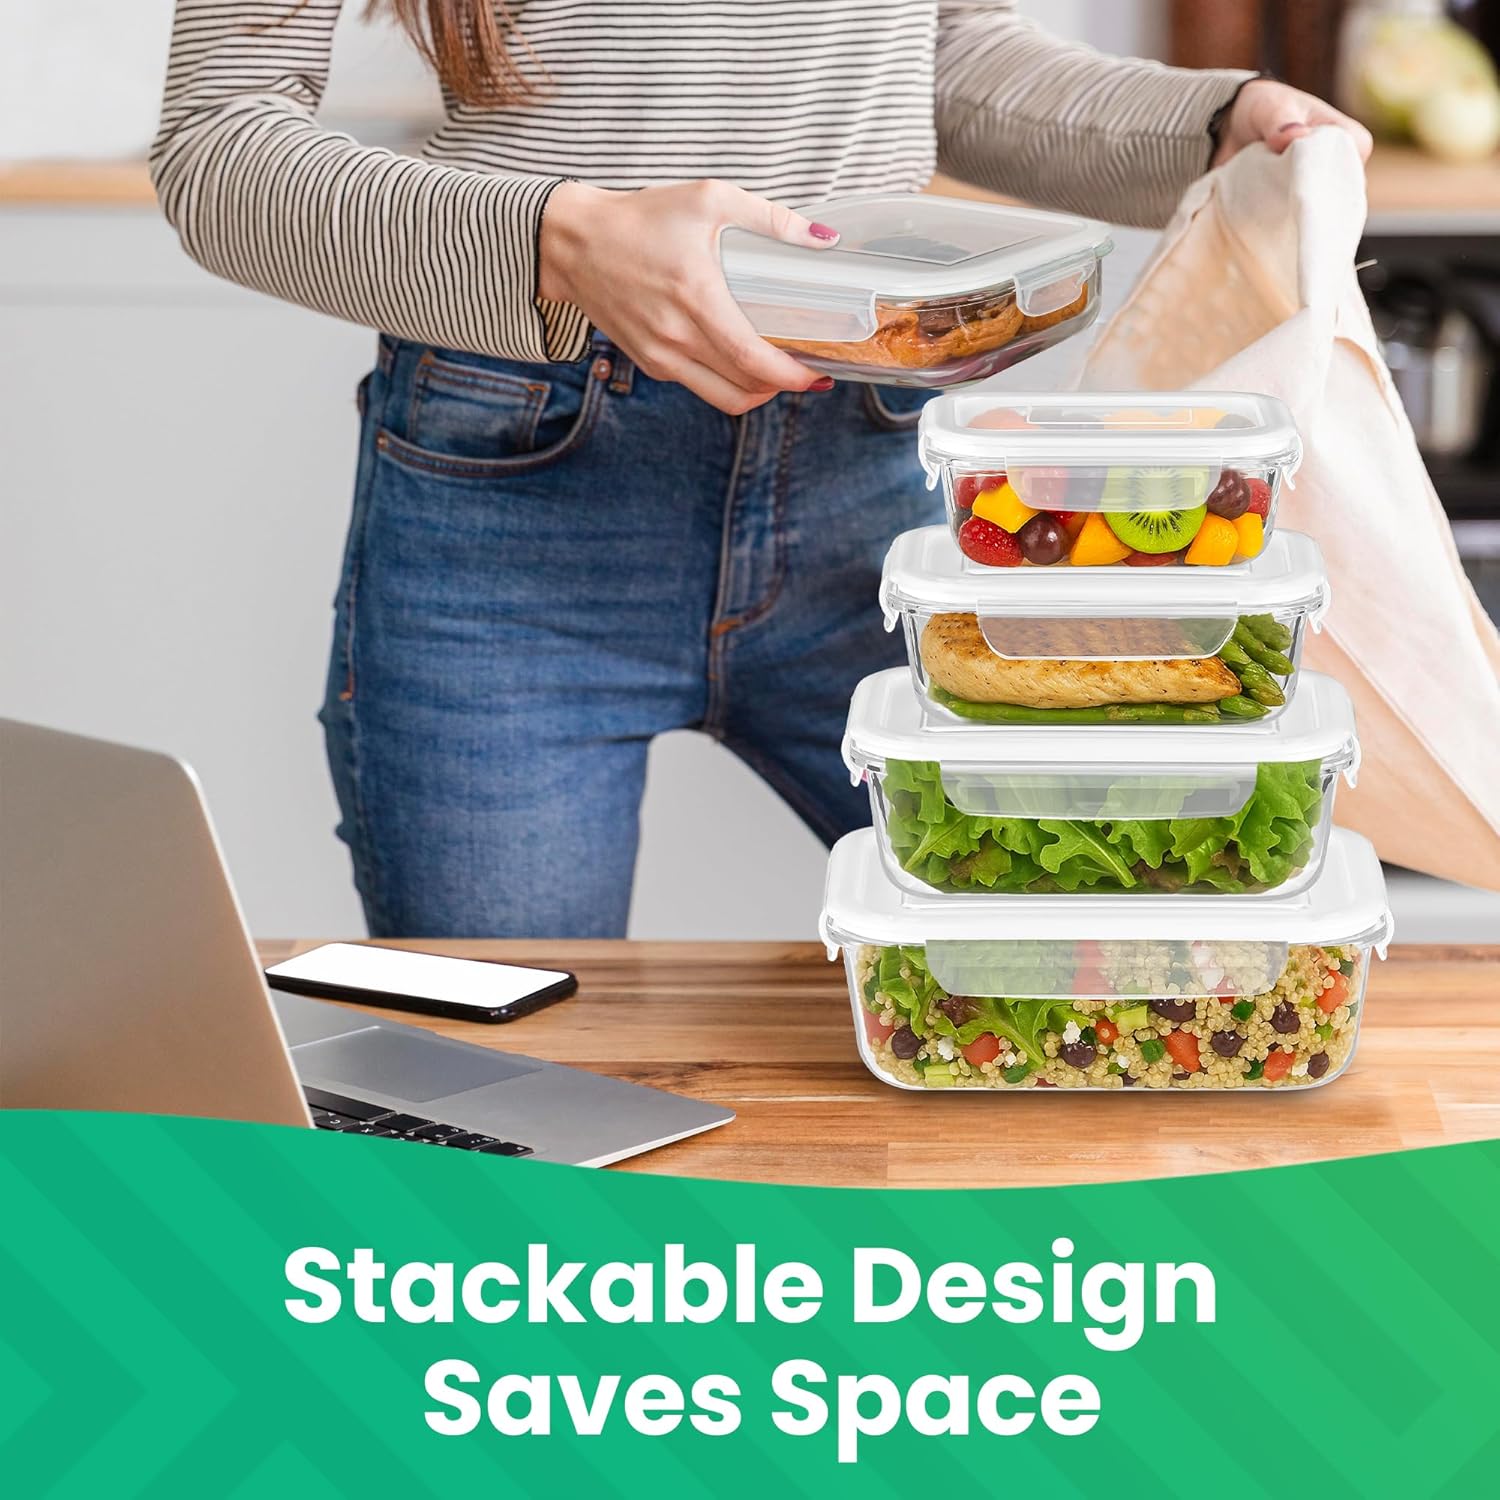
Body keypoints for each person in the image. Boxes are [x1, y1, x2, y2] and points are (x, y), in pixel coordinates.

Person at [152, 1, 1371, 938]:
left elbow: (933, 53)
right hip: (514, 500)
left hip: (868, 474)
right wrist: (561, 241)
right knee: (510, 1110)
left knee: (1078, 973)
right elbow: (219, 146)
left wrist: (1214, 121)